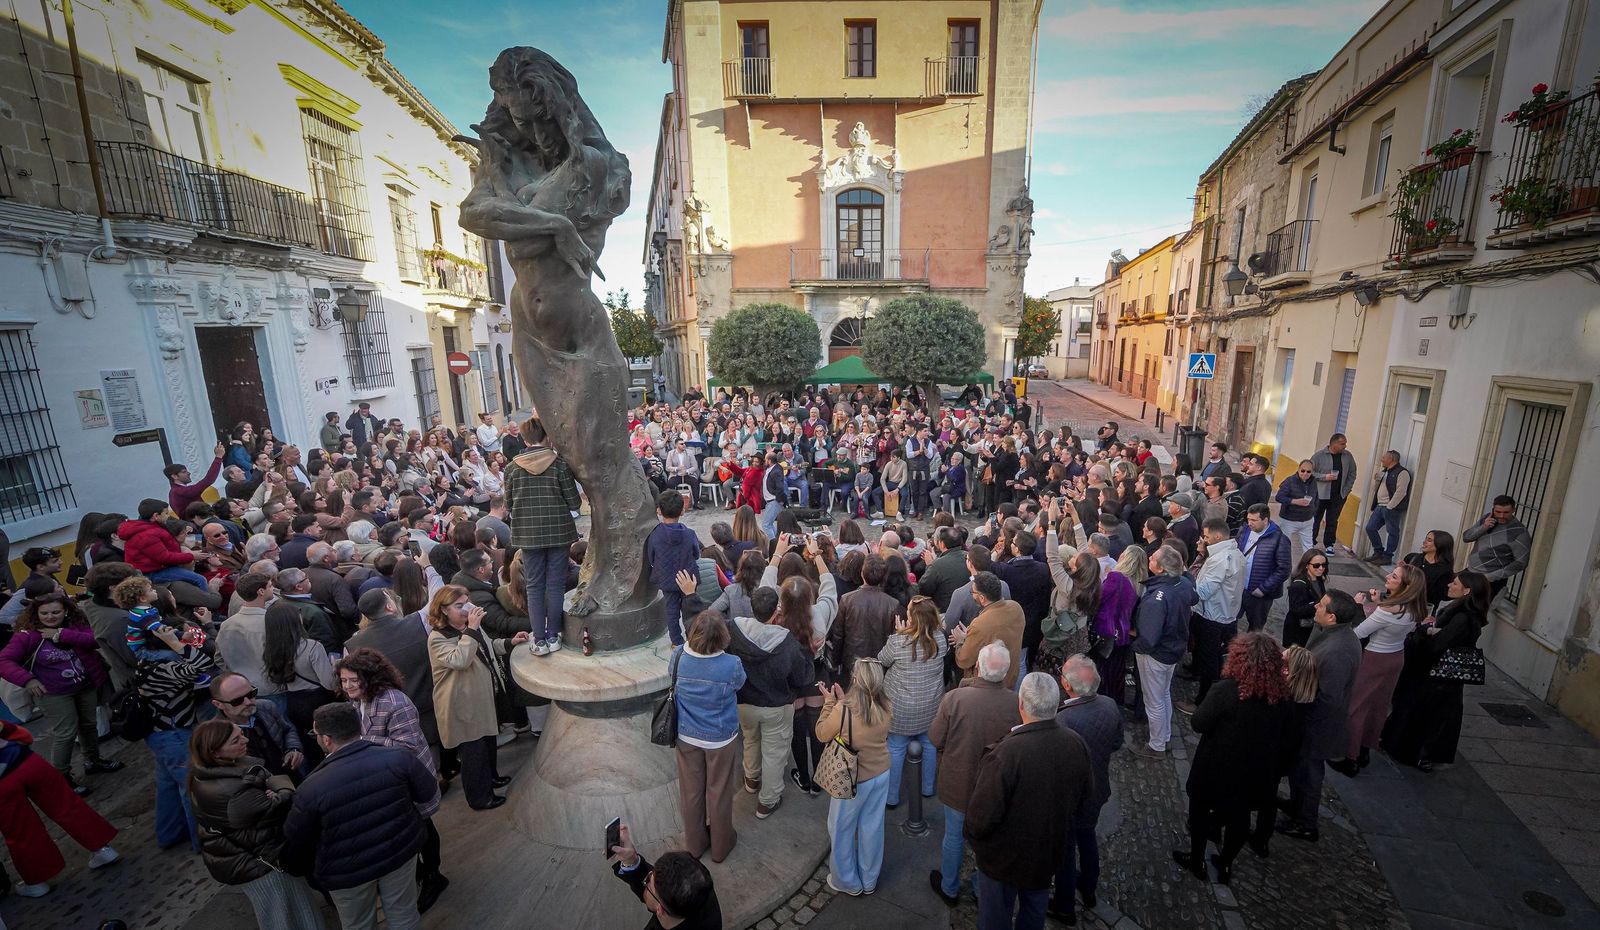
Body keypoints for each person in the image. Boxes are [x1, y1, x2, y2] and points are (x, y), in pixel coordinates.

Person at [281, 703, 438, 930]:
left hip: (347, 873)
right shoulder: (398, 758)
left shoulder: (310, 788)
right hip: (399, 853)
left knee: (358, 924)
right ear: (359, 728)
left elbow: (297, 837)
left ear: (326, 739)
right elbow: (427, 792)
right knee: (404, 914)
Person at [965, 672, 1091, 930]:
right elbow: (1084, 800)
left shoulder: (1006, 753)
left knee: (995, 917)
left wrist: (977, 841)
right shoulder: (1075, 743)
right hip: (1046, 852)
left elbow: (981, 816)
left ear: (1021, 704)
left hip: (1002, 859)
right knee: (1034, 911)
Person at [1172, 633, 1292, 886]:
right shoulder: (1280, 696)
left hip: (1216, 766)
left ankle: (1197, 859)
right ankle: (1225, 863)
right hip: (1254, 771)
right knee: (1240, 818)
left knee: (1200, 811)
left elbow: (1198, 722)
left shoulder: (1226, 690)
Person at [336, 648, 449, 911]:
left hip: (408, 780)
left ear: (371, 678)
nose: (347, 686)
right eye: (343, 680)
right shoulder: (357, 701)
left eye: (354, 680)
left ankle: (434, 876)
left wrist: (361, 741)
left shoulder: (395, 703)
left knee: (423, 827)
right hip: (385, 781)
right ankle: (419, 873)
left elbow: (406, 747)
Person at [186, 719, 326, 930]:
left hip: (254, 858)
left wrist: (273, 788)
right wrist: (281, 788)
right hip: (261, 865)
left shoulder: (210, 773)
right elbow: (282, 805)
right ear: (215, 752)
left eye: (240, 734)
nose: (245, 740)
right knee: (283, 918)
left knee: (297, 911)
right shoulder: (232, 790)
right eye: (235, 740)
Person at [706, 581, 811, 819]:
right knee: (775, 753)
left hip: (744, 702)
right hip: (777, 706)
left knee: (751, 740)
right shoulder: (787, 642)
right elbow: (802, 677)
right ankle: (768, 801)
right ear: (776, 611)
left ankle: (752, 779)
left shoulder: (734, 630)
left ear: (752, 608)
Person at [928, 642, 1022, 906]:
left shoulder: (956, 698)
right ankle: (983, 890)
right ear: (1006, 672)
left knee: (954, 837)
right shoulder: (1017, 703)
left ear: (978, 667)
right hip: (995, 787)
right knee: (988, 840)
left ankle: (949, 887)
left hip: (958, 781)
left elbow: (935, 738)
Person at [0, 594, 120, 793]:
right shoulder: (27, 635)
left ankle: (93, 761)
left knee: (89, 725)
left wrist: (61, 634)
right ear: (36, 613)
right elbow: (3, 661)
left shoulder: (75, 625)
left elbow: (94, 640)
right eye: (44, 613)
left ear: (66, 611)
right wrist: (28, 680)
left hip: (85, 686)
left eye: (56, 612)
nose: (50, 617)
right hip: (53, 693)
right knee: (65, 733)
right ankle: (61, 778)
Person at [1382, 571, 1492, 772]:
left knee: (1425, 717)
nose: (1449, 585)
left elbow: (1437, 646)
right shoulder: (1461, 611)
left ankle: (1417, 754)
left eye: (1455, 583)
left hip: (1437, 679)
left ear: (1467, 591)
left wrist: (1425, 632)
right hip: (1440, 677)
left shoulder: (1463, 617)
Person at [428, 585, 524, 810]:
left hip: (481, 699)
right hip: (462, 705)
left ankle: (491, 778)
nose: (466, 609)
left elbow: (487, 648)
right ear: (443, 610)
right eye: (458, 606)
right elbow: (460, 659)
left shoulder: (471, 628)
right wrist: (471, 629)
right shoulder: (438, 638)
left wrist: (510, 642)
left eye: (466, 603)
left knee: (488, 743)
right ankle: (480, 798)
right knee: (474, 753)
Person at [0, 719, 120, 898]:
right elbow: (25, 736)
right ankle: (103, 850)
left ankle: (37, 882)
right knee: (67, 806)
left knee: (20, 830)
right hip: (28, 763)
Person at [1278, 589, 1363, 842]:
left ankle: (1306, 823)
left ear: (1332, 617)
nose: (1316, 606)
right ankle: (1297, 806)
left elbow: (1328, 697)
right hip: (1311, 721)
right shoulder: (1331, 633)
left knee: (1309, 775)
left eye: (1321, 605)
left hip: (1317, 726)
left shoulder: (1338, 651)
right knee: (1300, 770)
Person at [1330, 562, 1427, 776]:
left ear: (1405, 586)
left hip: (1374, 659)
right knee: (1378, 707)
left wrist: (1359, 606)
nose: (1388, 577)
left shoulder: (1386, 611)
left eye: (1394, 577)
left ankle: (1350, 758)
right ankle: (1365, 749)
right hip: (1396, 657)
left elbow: (1359, 632)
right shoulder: (1415, 607)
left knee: (1356, 707)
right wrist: (1378, 602)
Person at [1050, 656, 1123, 924]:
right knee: (1088, 836)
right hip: (1097, 789)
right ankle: (1089, 888)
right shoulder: (1110, 705)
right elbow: (1117, 742)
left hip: (1071, 797)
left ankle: (1064, 906)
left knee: (1066, 850)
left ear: (1067, 686)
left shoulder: (1064, 720)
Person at [504, 417, 582, 655]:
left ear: (524, 439)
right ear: (547, 436)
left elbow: (508, 504)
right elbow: (574, 502)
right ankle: (554, 635)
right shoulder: (559, 465)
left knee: (534, 586)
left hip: (527, 534)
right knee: (556, 585)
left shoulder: (512, 468)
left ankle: (539, 640)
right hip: (558, 531)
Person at [816, 657, 893, 897]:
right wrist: (842, 702)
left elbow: (821, 733)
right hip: (881, 772)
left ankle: (846, 881)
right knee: (872, 827)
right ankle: (869, 879)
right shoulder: (887, 704)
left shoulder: (844, 710)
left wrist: (830, 703)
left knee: (841, 828)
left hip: (853, 778)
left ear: (856, 679)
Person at [672, 611, 746, 863]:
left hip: (687, 735)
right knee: (719, 792)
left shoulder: (678, 657)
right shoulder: (731, 664)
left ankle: (694, 845)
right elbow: (740, 684)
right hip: (720, 736)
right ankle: (721, 846)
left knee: (691, 793)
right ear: (722, 636)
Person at [138, 621, 216, 852]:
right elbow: (203, 664)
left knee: (168, 786)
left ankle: (169, 834)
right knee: (192, 786)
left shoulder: (147, 660)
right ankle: (203, 842)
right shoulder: (165, 666)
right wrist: (176, 644)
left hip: (159, 732)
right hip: (174, 733)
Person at [877, 595, 948, 808]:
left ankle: (891, 797)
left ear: (912, 618)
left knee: (896, 748)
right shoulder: (940, 640)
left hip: (901, 708)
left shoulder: (897, 641)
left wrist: (900, 633)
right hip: (930, 706)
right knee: (929, 745)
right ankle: (927, 788)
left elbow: (882, 659)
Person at [1130, 546, 1195, 759]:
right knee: (1163, 693)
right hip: (1173, 649)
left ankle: (1157, 745)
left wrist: (1136, 646)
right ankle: (1164, 735)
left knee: (1153, 700)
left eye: (1154, 558)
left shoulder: (1158, 598)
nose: (1149, 557)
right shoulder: (1183, 583)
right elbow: (1193, 598)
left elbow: (1149, 637)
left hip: (1156, 654)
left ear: (1161, 569)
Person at [608, 820, 722, 930]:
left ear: (660, 910)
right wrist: (632, 861)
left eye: (648, 883)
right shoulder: (698, 890)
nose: (645, 881)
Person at [1184, 518, 1244, 711]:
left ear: (1217, 536)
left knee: (1210, 660)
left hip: (1212, 617)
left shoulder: (1219, 560)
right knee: (1213, 658)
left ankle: (1203, 703)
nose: (1204, 540)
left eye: (1206, 536)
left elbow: (1203, 592)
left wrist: (1186, 578)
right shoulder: (1234, 553)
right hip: (1225, 615)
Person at [208, 672, 304, 781]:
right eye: (237, 701)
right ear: (218, 704)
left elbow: (287, 729)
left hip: (291, 777)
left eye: (251, 694)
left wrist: (293, 749)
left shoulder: (266, 706)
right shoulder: (216, 735)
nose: (248, 702)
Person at [827, 555, 900, 690]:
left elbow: (838, 635)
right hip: (878, 663)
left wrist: (836, 661)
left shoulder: (847, 600)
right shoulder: (892, 604)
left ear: (862, 573)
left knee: (853, 696)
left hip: (853, 661)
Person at [648, 491, 703, 647]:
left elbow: (651, 557)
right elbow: (696, 553)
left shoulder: (654, 535)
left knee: (671, 610)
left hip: (666, 577)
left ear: (659, 511)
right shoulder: (690, 534)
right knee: (690, 608)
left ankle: (676, 642)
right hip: (688, 577)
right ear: (682, 510)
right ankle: (693, 637)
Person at [952, 572, 1025, 689]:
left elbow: (963, 660)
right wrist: (971, 635)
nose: (972, 595)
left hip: (988, 686)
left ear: (982, 598)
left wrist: (961, 641)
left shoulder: (980, 624)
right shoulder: (1016, 608)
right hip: (1010, 680)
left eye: (972, 592)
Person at [118, 499, 209, 589]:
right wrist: (192, 556)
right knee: (200, 580)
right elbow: (164, 558)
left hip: (159, 567)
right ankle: (206, 598)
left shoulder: (151, 526)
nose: (168, 516)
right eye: (166, 513)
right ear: (156, 516)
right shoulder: (147, 535)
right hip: (153, 572)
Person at [1461, 495, 1532, 602]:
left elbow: (1521, 563)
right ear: (1493, 509)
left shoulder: (1520, 532)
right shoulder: (1487, 519)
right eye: (1498, 512)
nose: (1501, 516)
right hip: (1471, 572)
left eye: (1506, 512)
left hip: (1490, 581)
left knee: (1473, 609)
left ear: (1513, 510)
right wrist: (1484, 527)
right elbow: (1466, 537)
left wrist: (1490, 577)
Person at [1235, 504, 1291, 633]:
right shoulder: (1244, 531)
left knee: (1255, 629)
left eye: (1254, 520)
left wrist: (1263, 588)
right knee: (1231, 620)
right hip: (1239, 587)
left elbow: (1284, 569)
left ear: (1265, 520)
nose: (1250, 523)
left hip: (1259, 593)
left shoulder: (1280, 539)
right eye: (1248, 519)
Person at [1310, 434, 1357, 554]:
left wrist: (1346, 490)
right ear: (1334, 444)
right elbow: (1310, 472)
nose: (1345, 446)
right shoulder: (1319, 456)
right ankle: (1311, 541)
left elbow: (1352, 473)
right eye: (1342, 444)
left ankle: (1329, 545)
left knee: (1332, 520)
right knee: (1316, 518)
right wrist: (1324, 477)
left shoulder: (1347, 456)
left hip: (1338, 495)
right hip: (1320, 494)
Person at [1363, 450, 1412, 565]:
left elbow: (1401, 491)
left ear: (1392, 459)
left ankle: (1388, 556)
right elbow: (1376, 488)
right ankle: (1378, 551)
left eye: (1384, 457)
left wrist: (1390, 506)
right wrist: (1377, 480)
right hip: (1380, 506)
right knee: (1370, 528)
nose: (1382, 459)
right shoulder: (1384, 472)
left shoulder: (1402, 473)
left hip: (1391, 508)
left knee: (1392, 532)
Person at [1274, 459, 1319, 564]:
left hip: (1307, 520)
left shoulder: (1314, 482)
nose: (1305, 473)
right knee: (1284, 545)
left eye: (1308, 471)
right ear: (1298, 469)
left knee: (1308, 546)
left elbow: (1316, 497)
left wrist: (1314, 512)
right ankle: (1283, 566)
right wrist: (1294, 501)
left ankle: (1308, 568)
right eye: (1303, 470)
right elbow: (1279, 497)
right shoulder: (1289, 481)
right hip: (1289, 519)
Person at [165, 443, 227, 518]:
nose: (189, 473)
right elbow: (208, 480)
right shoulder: (179, 491)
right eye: (184, 472)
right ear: (174, 476)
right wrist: (218, 457)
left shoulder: (177, 491)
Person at [1282, 550, 1328, 650]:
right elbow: (1296, 610)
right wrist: (1317, 605)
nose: (1321, 568)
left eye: (1324, 565)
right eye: (1316, 565)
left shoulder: (1318, 579)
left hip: (1311, 630)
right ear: (1307, 565)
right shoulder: (1299, 585)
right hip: (1298, 633)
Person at [1402, 529, 1457, 610]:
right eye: (1426, 538)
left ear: (1440, 544)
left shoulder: (1445, 571)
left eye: (1429, 540)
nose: (1424, 542)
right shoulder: (1412, 557)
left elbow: (1440, 596)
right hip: (1402, 604)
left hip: (1421, 609)